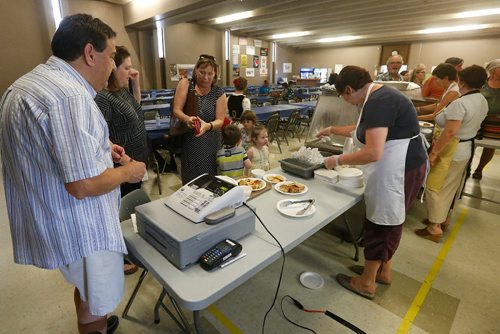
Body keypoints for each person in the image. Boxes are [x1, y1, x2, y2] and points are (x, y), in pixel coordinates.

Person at [0, 14, 146, 334]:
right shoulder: (70, 96)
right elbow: (83, 185)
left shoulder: (26, 85)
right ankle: (94, 325)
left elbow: (47, 146)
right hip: (82, 226)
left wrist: (101, 147)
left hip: (52, 219)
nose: (111, 66)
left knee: (86, 288)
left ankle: (91, 316)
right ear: (90, 53)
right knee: (96, 298)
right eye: (110, 57)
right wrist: (128, 172)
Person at [316, 65, 427, 299]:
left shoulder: (378, 102)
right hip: (406, 166)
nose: (348, 102)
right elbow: (362, 131)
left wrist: (336, 160)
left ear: (348, 88)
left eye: (344, 97)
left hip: (398, 170)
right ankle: (382, 271)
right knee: (391, 221)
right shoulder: (379, 94)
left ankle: (366, 283)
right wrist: (331, 129)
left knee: (382, 222)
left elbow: (373, 152)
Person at [415, 65, 488, 242]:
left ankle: (434, 227)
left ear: (461, 80)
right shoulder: (481, 100)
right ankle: (442, 219)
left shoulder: (460, 103)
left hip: (451, 149)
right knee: (450, 187)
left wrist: (434, 153)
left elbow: (449, 132)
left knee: (435, 186)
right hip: (465, 148)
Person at [95, 45, 149, 198]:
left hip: (137, 159)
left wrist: (136, 82)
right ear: (113, 69)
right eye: (126, 68)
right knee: (127, 202)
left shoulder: (122, 90)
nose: (131, 72)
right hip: (123, 165)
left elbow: (136, 108)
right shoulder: (103, 98)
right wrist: (127, 162)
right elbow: (101, 136)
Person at [171, 54, 226, 185]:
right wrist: (187, 119)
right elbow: (176, 110)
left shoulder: (218, 92)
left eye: (210, 74)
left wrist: (208, 126)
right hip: (191, 142)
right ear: (196, 70)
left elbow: (220, 120)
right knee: (192, 179)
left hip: (212, 143)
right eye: (202, 72)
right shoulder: (186, 84)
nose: (206, 77)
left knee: (211, 179)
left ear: (215, 74)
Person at [472, 59, 500, 179]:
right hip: (479, 118)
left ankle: (479, 169)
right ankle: (467, 166)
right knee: (472, 143)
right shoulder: (482, 82)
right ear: (493, 70)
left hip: (496, 122)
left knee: (490, 146)